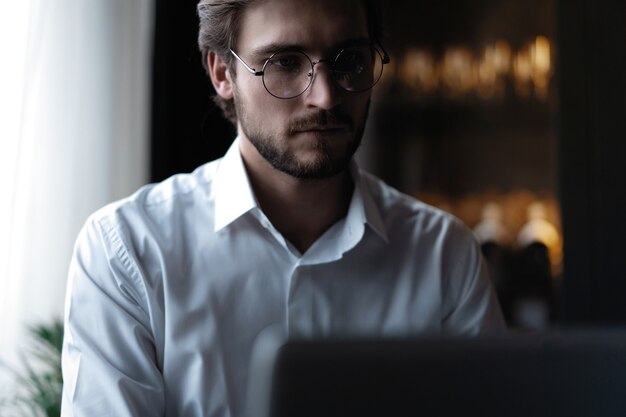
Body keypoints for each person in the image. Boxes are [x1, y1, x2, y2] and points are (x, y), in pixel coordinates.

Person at [61, 0, 505, 415]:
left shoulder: (444, 255)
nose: (326, 97)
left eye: (348, 59)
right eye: (285, 63)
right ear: (222, 73)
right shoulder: (129, 251)